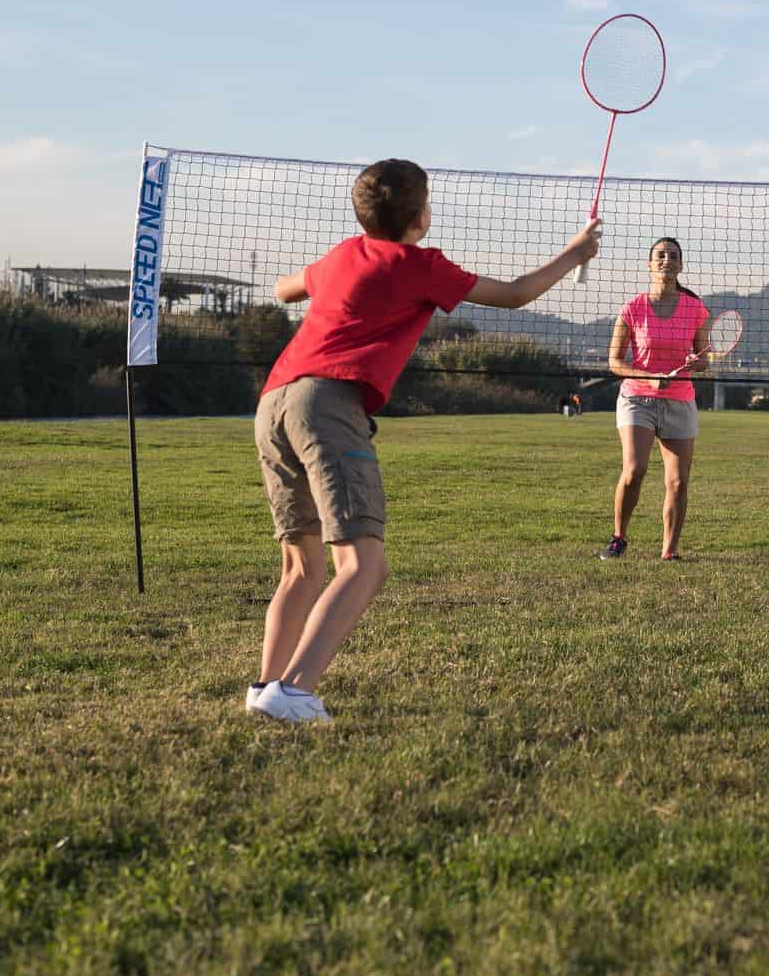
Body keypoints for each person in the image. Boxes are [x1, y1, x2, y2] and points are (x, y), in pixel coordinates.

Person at [247, 158, 601, 723]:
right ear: (418, 218)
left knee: (300, 566)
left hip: (273, 402)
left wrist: (328, 286)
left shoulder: (342, 255)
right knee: (363, 565)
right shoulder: (420, 265)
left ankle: (263, 687)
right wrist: (575, 253)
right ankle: (293, 691)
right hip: (327, 405)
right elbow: (514, 294)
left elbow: (283, 289)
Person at [601, 236, 714, 561]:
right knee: (634, 471)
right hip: (638, 399)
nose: (667, 260)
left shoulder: (695, 309)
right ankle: (619, 537)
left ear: (680, 265)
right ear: (650, 264)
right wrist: (649, 377)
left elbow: (703, 355)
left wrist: (698, 362)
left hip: (680, 400)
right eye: (660, 255)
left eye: (673, 256)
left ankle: (669, 551)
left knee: (678, 483)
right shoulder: (632, 309)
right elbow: (615, 362)